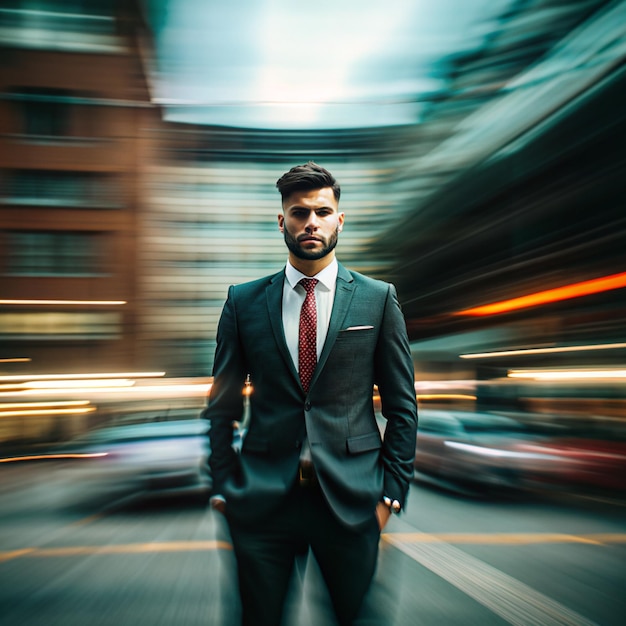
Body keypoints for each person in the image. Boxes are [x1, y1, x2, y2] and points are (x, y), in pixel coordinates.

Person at [204, 162, 418, 626]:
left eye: (323, 211)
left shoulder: (378, 298)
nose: (311, 222)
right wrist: (223, 487)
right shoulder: (242, 302)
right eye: (299, 213)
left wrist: (390, 495)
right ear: (282, 221)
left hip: (352, 501)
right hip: (261, 504)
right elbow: (221, 405)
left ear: (340, 220)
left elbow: (402, 406)